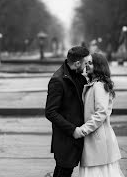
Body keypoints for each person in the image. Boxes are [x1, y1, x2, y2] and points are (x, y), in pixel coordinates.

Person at [76, 53, 124, 177]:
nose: (87, 65)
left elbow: (101, 113)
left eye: (90, 63)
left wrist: (83, 130)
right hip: (95, 138)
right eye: (86, 63)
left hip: (98, 139)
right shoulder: (94, 84)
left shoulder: (99, 86)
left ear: (99, 66)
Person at [45, 46, 90, 177]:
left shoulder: (79, 76)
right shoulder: (58, 80)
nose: (87, 66)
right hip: (65, 139)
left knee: (63, 171)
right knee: (63, 171)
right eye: (85, 63)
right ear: (77, 63)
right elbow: (50, 112)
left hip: (75, 139)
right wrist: (73, 130)